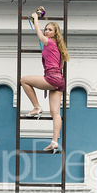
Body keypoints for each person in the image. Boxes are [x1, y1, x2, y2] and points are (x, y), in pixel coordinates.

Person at [20, 12, 69, 152]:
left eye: (49, 30)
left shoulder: (49, 41)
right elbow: (61, 66)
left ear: (55, 33)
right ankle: (54, 141)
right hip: (59, 80)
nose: (46, 31)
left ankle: (37, 107)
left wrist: (35, 19)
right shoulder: (59, 47)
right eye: (46, 29)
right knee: (55, 113)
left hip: (52, 78)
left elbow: (38, 33)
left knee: (24, 80)